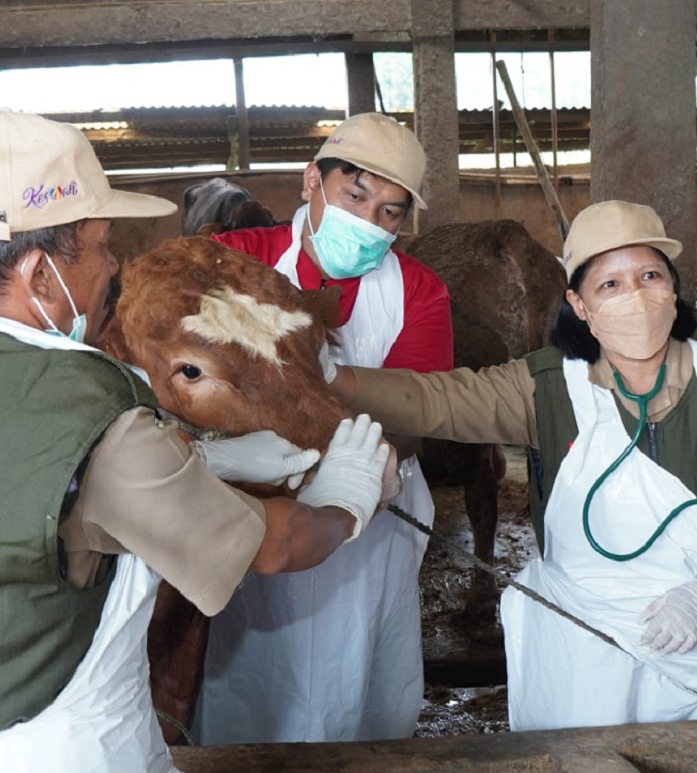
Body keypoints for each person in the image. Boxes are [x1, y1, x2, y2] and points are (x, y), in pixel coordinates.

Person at [0, 108, 394, 773]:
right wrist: (347, 499)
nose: (114, 262)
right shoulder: (97, 413)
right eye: (100, 245)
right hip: (58, 749)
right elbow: (272, 545)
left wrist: (199, 456)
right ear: (40, 274)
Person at [325, 199, 697, 731]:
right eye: (610, 284)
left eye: (650, 275)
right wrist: (329, 379)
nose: (636, 295)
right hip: (584, 652)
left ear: (673, 289)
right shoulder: (546, 388)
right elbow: (434, 399)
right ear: (578, 305)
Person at [194, 112, 453, 744]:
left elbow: (412, 419)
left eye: (390, 212)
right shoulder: (231, 263)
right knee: (249, 672)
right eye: (354, 195)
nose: (369, 222)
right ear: (313, 180)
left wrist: (373, 466)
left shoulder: (420, 293)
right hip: (254, 508)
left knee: (357, 678)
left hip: (372, 518)